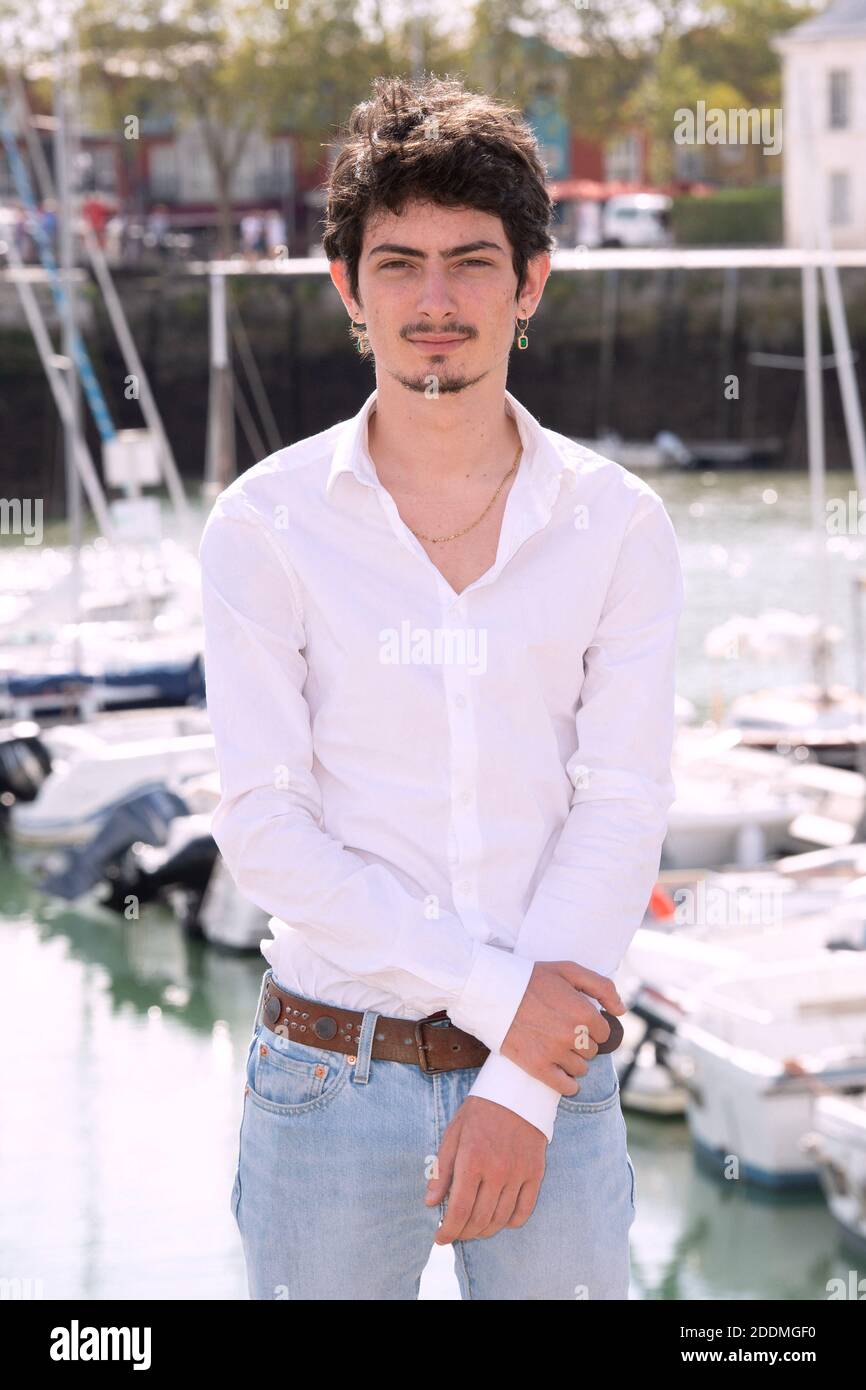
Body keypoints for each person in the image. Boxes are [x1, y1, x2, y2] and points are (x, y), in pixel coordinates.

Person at [199, 73, 684, 1301]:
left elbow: (620, 805)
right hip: (325, 1083)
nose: (433, 301)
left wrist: (520, 1079)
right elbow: (264, 826)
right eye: (397, 262)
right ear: (346, 291)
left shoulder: (616, 526)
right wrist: (503, 1000)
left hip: (552, 1090)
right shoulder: (263, 526)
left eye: (471, 261)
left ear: (530, 285)